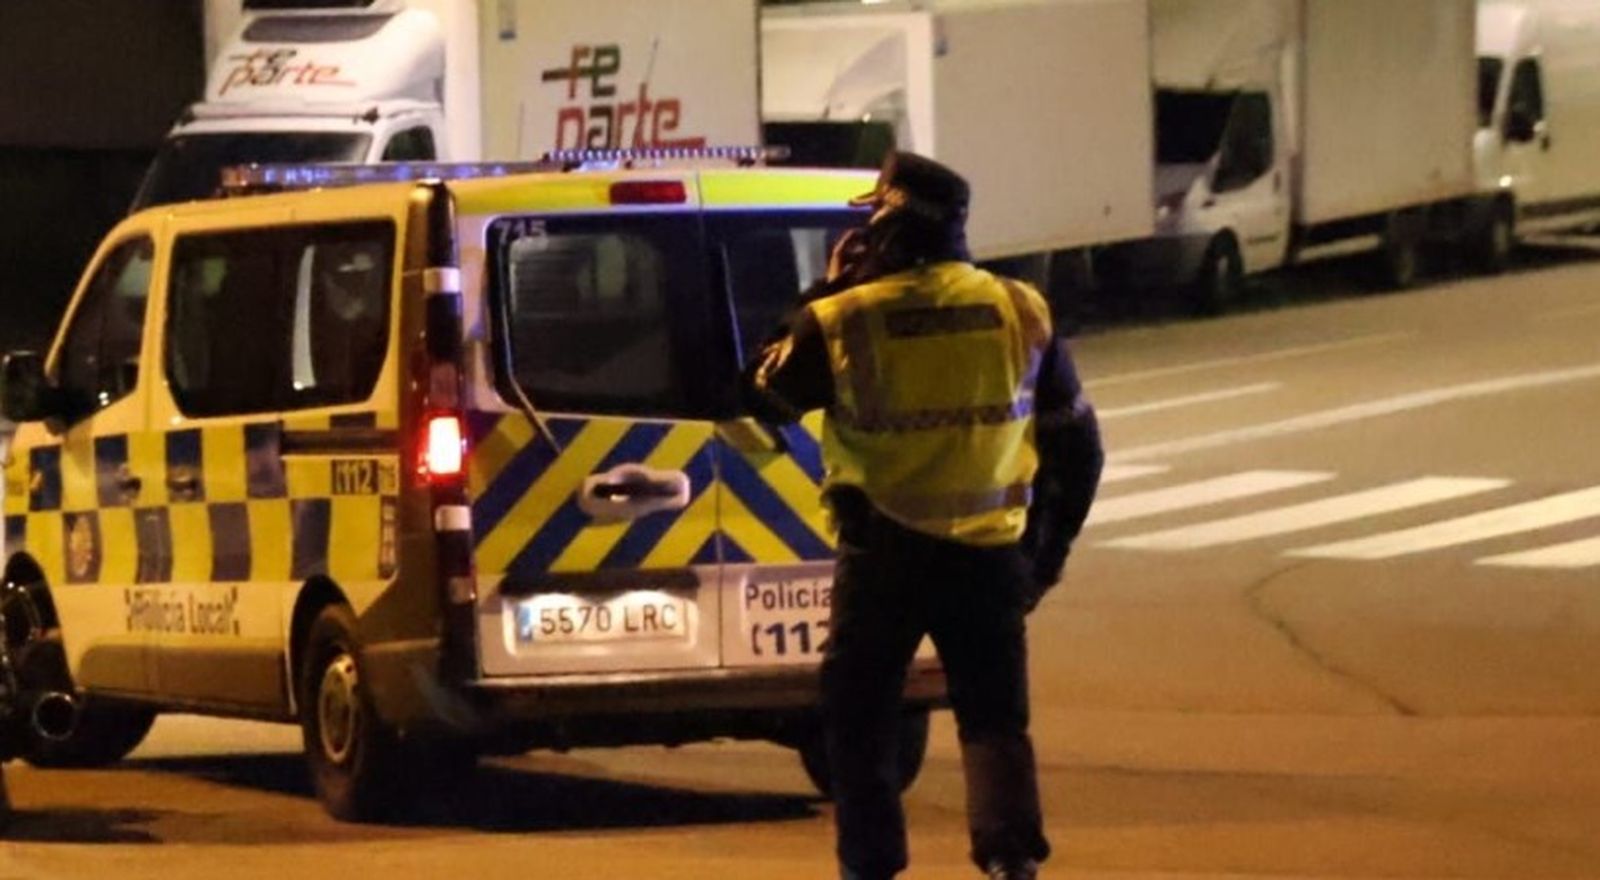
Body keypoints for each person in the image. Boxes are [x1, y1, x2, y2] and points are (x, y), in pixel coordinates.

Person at [743, 151, 1104, 880]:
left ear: (890, 228)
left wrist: (830, 284)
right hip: (991, 558)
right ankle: (1009, 860)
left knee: (859, 717)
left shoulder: (847, 318)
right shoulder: (1019, 308)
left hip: (885, 558)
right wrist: (1041, 562)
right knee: (995, 718)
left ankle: (871, 869)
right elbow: (1081, 450)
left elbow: (765, 394)